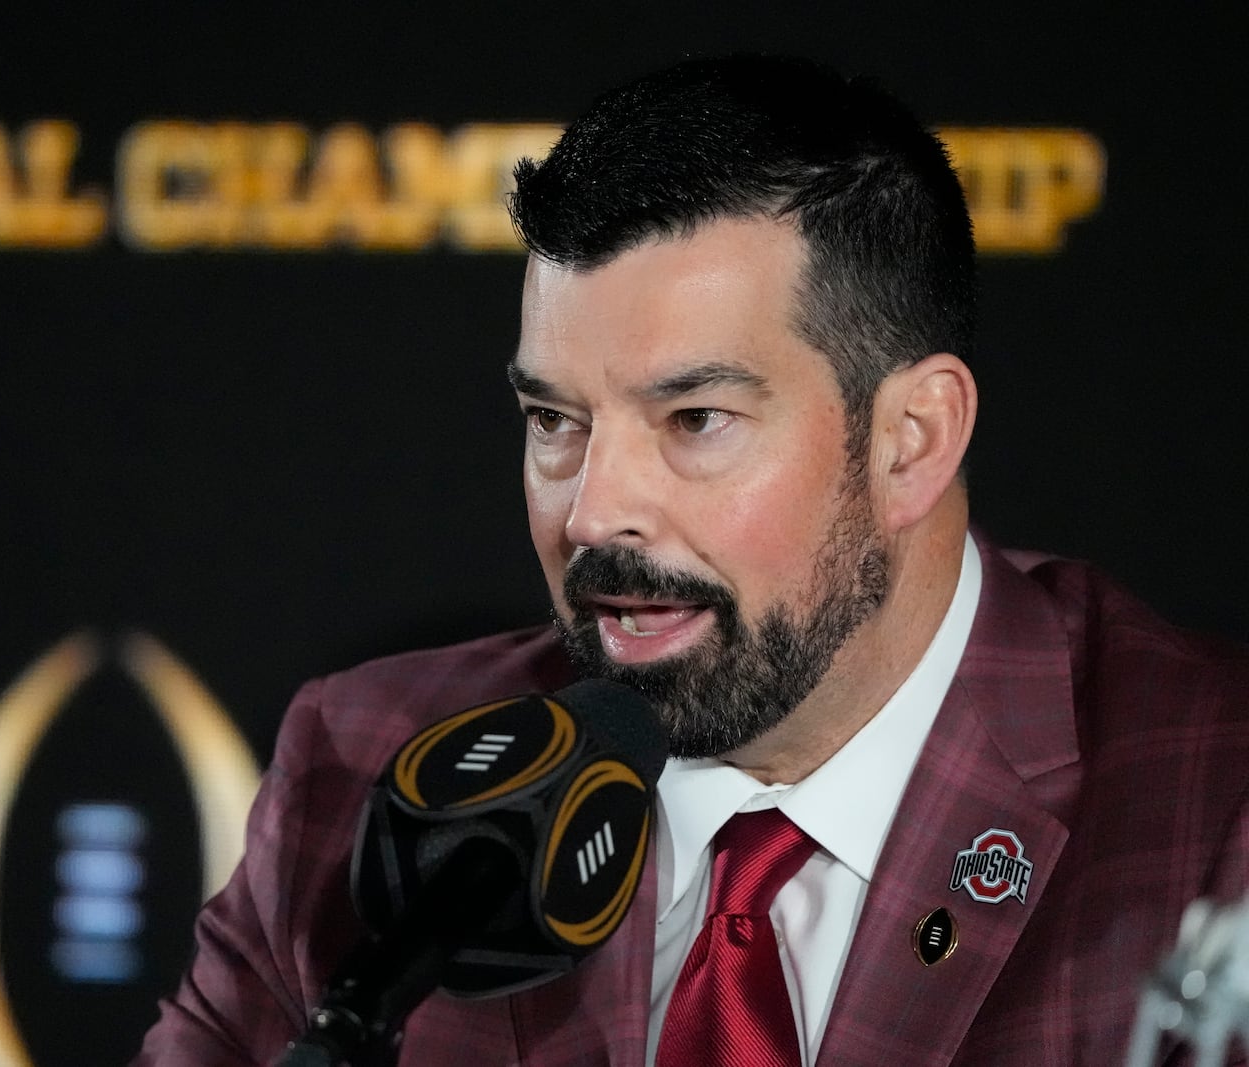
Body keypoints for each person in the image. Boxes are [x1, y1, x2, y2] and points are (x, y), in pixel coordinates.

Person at [132, 54, 1249, 1066]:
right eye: (554, 420)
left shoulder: (1214, 803)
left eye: (695, 418)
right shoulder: (369, 768)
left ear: (910, 439)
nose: (594, 512)